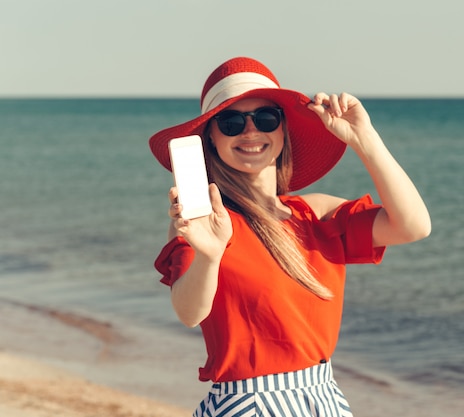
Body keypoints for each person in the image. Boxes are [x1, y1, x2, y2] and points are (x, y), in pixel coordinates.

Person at [148, 56, 431, 417]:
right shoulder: (205, 222)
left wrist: (365, 140)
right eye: (232, 122)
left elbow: (414, 226)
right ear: (211, 140)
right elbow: (189, 313)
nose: (251, 132)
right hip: (246, 404)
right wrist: (209, 255)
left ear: (283, 129)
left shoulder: (315, 214)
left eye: (266, 118)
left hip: (324, 398)